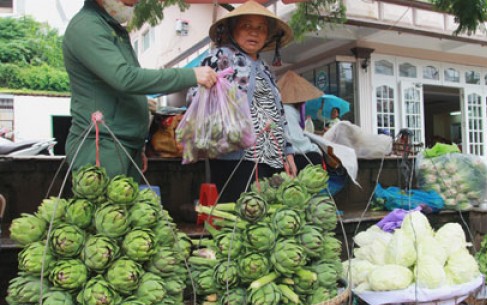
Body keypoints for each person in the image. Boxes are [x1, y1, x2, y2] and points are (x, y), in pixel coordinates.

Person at [62, 0, 217, 181]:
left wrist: (138, 144)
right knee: (103, 208)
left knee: (131, 207)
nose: (134, 2)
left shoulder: (111, 27)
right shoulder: (87, 26)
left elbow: (123, 88)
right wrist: (190, 75)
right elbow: (125, 78)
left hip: (124, 145)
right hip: (101, 145)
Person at [193, 0, 297, 202]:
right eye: (246, 26)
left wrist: (287, 152)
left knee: (268, 217)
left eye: (261, 28)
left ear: (268, 36)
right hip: (235, 156)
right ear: (232, 29)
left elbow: (278, 114)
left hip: (270, 156)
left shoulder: (266, 69)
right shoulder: (219, 57)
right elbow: (196, 96)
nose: (254, 33)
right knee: (240, 218)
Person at [277, 70, 324, 171]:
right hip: (285, 156)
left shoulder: (284, 108)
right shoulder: (287, 110)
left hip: (280, 154)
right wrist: (315, 148)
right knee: (315, 157)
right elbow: (296, 141)